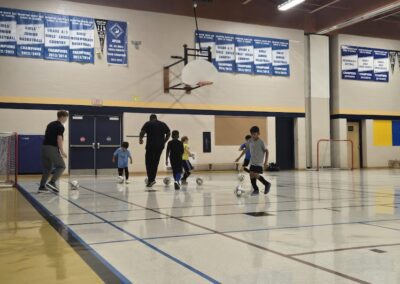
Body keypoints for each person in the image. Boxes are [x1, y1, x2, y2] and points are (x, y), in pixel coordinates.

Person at [38, 110, 69, 193]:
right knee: (62, 166)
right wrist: (62, 151)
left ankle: (41, 187)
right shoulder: (60, 126)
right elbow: (59, 139)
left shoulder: (50, 124)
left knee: (47, 169)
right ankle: (52, 182)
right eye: (66, 118)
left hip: (44, 147)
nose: (66, 119)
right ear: (62, 117)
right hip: (51, 148)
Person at [237, 126, 271, 195]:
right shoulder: (250, 141)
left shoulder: (261, 142)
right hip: (252, 161)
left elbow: (267, 151)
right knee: (251, 174)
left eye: (254, 134)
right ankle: (256, 190)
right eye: (252, 134)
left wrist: (265, 162)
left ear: (258, 133)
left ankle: (267, 184)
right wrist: (239, 157)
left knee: (255, 174)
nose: (253, 136)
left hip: (259, 162)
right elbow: (246, 149)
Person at [139, 114, 171, 187]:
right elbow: (169, 133)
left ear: (150, 118)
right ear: (156, 118)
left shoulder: (148, 123)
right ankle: (152, 179)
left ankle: (151, 180)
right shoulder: (163, 124)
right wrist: (164, 141)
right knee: (155, 162)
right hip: (160, 146)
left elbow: (142, 132)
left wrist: (140, 139)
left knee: (148, 162)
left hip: (150, 146)